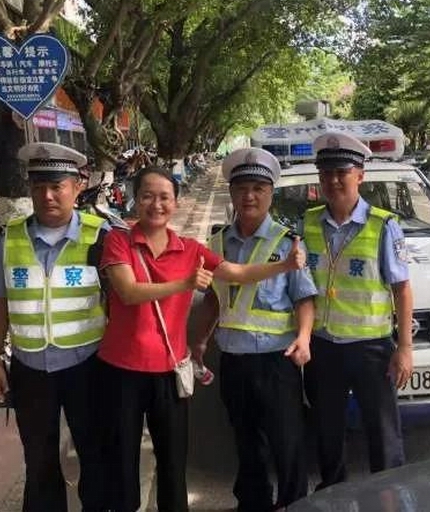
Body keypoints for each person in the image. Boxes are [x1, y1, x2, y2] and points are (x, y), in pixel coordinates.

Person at [98, 166, 306, 512]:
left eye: (164, 197)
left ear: (176, 203)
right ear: (135, 200)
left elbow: (237, 273)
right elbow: (129, 291)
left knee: (173, 461)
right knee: (122, 459)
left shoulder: (191, 249)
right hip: (123, 371)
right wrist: (185, 283)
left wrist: (283, 266)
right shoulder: (119, 241)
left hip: (170, 370)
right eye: (147, 195)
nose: (156, 204)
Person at [0, 142, 109, 512]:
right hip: (31, 369)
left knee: (95, 452)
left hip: (88, 367)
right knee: (38, 460)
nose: (47, 195)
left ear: (77, 186)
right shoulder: (9, 240)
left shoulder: (101, 237)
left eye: (57, 186)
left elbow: (121, 300)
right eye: (38, 187)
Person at [192, 149, 317, 511]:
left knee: (287, 442)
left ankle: (295, 504)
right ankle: (254, 504)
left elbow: (304, 298)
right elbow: (215, 300)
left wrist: (304, 338)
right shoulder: (216, 246)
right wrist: (199, 340)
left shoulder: (286, 243)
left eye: (259, 188)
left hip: (277, 362)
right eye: (242, 187)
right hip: (234, 361)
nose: (250, 195)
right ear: (231, 193)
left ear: (270, 194)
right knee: (246, 443)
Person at [301, 131, 414, 490]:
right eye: (326, 174)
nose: (334, 181)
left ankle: (389, 494)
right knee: (327, 429)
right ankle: (333, 492)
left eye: (342, 172)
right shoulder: (309, 223)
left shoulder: (383, 225)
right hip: (324, 347)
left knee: (383, 431)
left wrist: (405, 348)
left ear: (360, 175)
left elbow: (402, 288)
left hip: (371, 349)